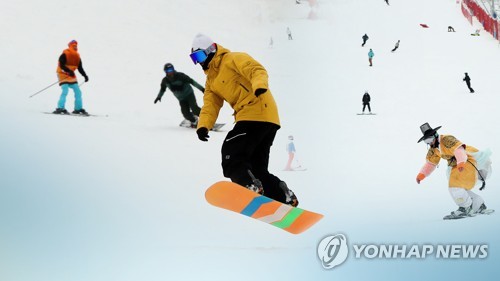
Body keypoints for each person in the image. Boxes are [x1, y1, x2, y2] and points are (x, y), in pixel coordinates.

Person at [189, 33, 298, 207]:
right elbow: (210, 105)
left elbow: (256, 70)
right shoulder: (211, 80)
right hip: (265, 119)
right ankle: (282, 195)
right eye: (194, 58)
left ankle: (249, 186)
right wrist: (203, 126)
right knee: (256, 168)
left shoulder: (232, 59)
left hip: (255, 111)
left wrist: (259, 85)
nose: (199, 62)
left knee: (231, 153)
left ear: (211, 50)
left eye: (200, 56)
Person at [416, 123, 492, 219]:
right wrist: (421, 175)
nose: (428, 142)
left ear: (435, 135)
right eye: (425, 141)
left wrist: (460, 162)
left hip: (466, 160)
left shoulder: (447, 139)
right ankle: (478, 204)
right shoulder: (433, 149)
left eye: (429, 139)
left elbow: (458, 149)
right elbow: (431, 163)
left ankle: (465, 207)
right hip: (456, 165)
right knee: (459, 187)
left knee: (455, 186)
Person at [54, 40, 89, 115]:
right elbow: (61, 65)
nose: (75, 47)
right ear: (70, 46)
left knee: (78, 92)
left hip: (71, 75)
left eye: (76, 46)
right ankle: (60, 108)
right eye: (73, 46)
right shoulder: (65, 54)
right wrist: (68, 70)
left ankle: (78, 109)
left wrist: (85, 76)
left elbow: (80, 68)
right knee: (65, 90)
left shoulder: (77, 56)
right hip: (62, 73)